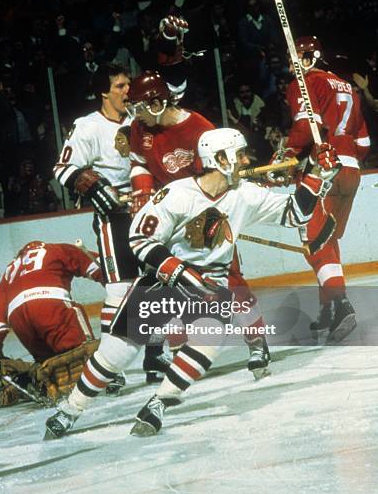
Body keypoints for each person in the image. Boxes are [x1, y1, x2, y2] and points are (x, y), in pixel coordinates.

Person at [44, 127, 340, 438]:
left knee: (209, 340)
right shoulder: (177, 194)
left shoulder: (246, 194)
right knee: (117, 353)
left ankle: (159, 403)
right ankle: (70, 410)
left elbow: (295, 214)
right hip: (164, 281)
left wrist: (318, 174)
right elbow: (140, 238)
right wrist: (181, 271)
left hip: (210, 281)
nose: (245, 160)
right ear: (221, 158)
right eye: (239, 155)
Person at [127, 71, 271, 377]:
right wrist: (142, 191)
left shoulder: (200, 128)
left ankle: (257, 341)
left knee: (231, 279)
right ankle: (180, 352)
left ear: (156, 102)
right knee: (168, 284)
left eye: (139, 107)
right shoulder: (140, 128)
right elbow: (139, 161)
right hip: (169, 212)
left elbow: (222, 174)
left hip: (205, 211)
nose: (135, 115)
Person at [53, 62, 170, 383]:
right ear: (103, 92)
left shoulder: (140, 120)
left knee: (156, 284)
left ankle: (155, 355)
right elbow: (63, 168)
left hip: (148, 213)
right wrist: (96, 188)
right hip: (113, 218)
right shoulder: (88, 126)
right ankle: (108, 366)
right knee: (119, 289)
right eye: (119, 86)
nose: (127, 91)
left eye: (128, 85)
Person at [269, 36, 370, 342]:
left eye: (294, 57)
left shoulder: (304, 82)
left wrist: (286, 156)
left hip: (324, 169)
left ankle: (340, 304)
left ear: (308, 57)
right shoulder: (346, 86)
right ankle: (327, 308)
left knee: (315, 240)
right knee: (326, 240)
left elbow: (303, 128)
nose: (290, 63)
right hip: (351, 169)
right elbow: (364, 143)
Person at [0, 241, 101, 408]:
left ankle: (28, 378)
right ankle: (92, 369)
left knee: (49, 364)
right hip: (51, 307)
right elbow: (99, 266)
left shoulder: (9, 272)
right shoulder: (55, 249)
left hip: (20, 321)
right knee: (85, 357)